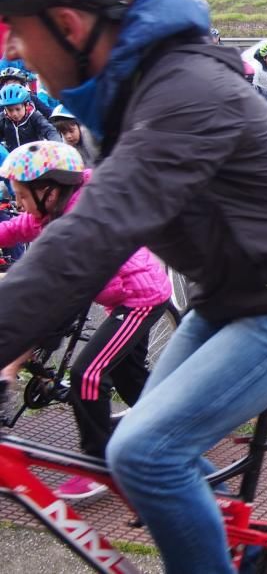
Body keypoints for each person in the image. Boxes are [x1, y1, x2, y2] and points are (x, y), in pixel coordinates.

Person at [0, 0, 267, 573]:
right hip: (235, 296)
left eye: (17, 30)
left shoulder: (181, 93)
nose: (18, 51)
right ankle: (241, 549)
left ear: (67, 22)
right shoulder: (129, 98)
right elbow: (85, 240)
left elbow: (95, 232)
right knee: (149, 445)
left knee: (145, 452)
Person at [0, 141, 172, 499]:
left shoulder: (82, 218)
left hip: (138, 298)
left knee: (88, 374)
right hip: (123, 298)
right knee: (130, 375)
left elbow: (64, 282)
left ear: (48, 190)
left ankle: (99, 463)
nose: (18, 203)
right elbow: (18, 227)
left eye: (21, 194)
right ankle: (172, 430)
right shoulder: (57, 209)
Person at [0, 83, 60, 148]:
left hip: (34, 154)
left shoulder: (35, 117)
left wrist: (57, 144)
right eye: (10, 110)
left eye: (18, 109)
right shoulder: (3, 119)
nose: (14, 114)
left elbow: (49, 130)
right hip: (12, 155)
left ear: (26, 105)